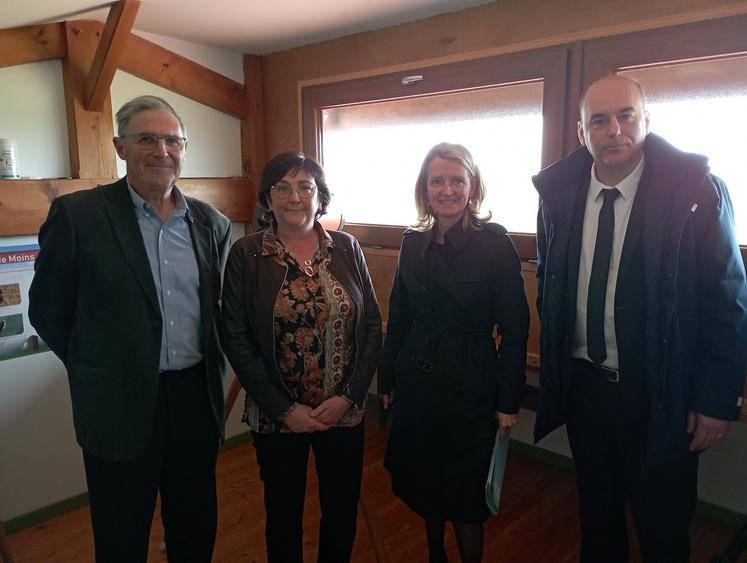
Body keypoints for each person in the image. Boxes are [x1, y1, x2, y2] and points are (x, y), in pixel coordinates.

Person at [533, 75, 747, 562]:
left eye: (626, 115)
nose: (615, 130)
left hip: (662, 393)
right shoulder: (558, 196)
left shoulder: (695, 191)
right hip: (586, 391)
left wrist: (716, 400)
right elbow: (550, 282)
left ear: (646, 120)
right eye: (600, 120)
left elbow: (727, 299)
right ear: (582, 133)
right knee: (597, 518)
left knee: (663, 527)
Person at [29, 95, 231, 563]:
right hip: (117, 403)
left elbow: (216, 312)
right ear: (121, 146)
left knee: (195, 528)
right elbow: (48, 311)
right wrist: (96, 366)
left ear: (184, 148)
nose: (161, 151)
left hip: (194, 401)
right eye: (146, 139)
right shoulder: (79, 217)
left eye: (172, 140)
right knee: (121, 537)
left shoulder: (211, 223)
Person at [220, 151, 382, 563]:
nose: (295, 197)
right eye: (283, 187)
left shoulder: (346, 248)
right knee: (283, 515)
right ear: (268, 199)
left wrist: (349, 396)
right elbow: (235, 336)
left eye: (305, 187)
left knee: (341, 512)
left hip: (341, 413)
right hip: (279, 417)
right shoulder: (247, 255)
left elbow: (371, 327)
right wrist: (282, 409)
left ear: (320, 197)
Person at [380, 142, 530, 563]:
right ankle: (434, 556)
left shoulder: (495, 247)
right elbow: (400, 314)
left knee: (465, 498)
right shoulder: (412, 244)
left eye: (456, 180)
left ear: (472, 186)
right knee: (425, 485)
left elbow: (516, 329)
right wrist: (387, 378)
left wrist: (508, 399)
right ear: (424, 190)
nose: (447, 190)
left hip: (471, 383)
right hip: (418, 379)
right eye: (437, 181)